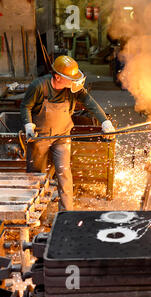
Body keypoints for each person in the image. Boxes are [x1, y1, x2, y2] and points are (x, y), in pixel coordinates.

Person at [20, 55, 115, 211]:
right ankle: (35, 212)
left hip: (62, 137)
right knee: (35, 177)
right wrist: (29, 126)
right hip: (40, 137)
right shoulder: (39, 86)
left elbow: (89, 102)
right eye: (70, 79)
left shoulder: (73, 89)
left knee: (64, 174)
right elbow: (26, 106)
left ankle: (66, 213)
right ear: (57, 77)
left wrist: (105, 122)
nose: (74, 82)